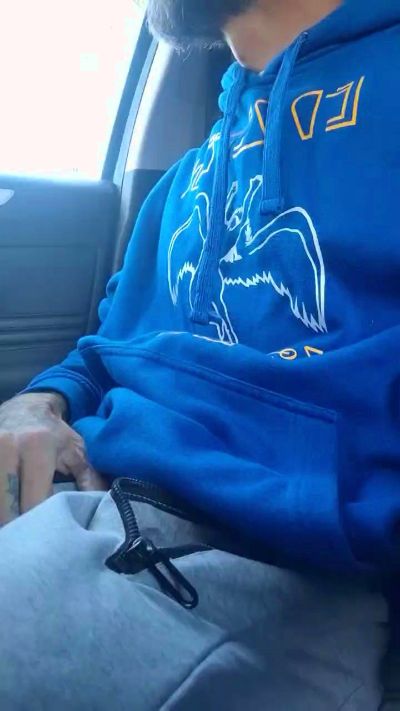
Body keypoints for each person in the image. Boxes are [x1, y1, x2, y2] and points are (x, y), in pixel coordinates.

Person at [0, 0, 399, 708]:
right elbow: (110, 345)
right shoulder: (184, 182)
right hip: (88, 498)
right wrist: (40, 400)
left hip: (279, 568)